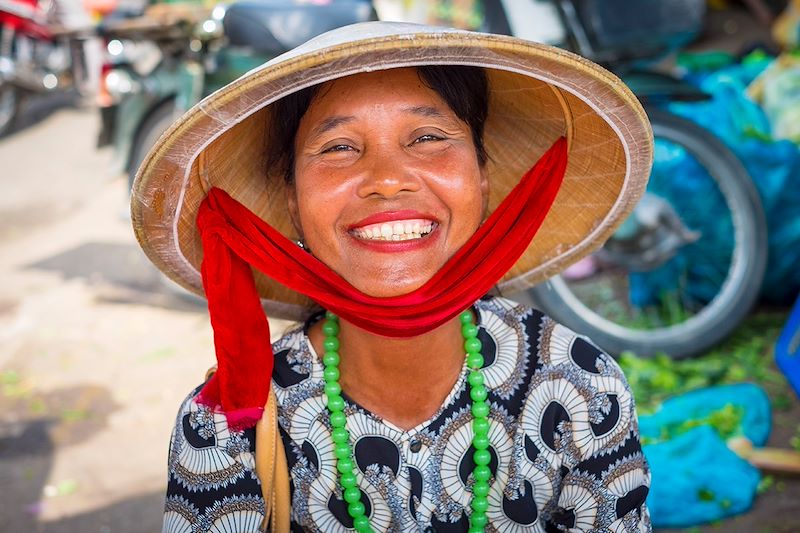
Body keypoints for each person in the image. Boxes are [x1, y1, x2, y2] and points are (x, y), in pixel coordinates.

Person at [131, 21, 654, 533]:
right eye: (338, 147)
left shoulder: (580, 386)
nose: (386, 179)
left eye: (427, 137)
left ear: (484, 179)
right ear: (291, 204)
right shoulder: (226, 429)